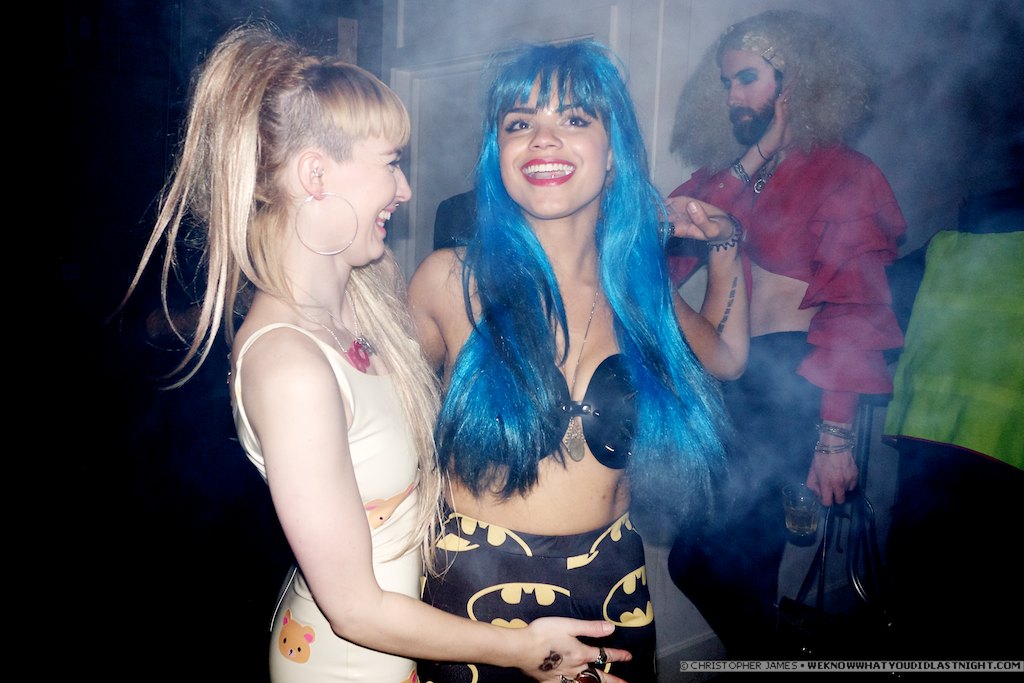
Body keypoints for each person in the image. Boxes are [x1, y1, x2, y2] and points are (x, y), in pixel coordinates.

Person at [116, 24, 633, 683]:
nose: (405, 189)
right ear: (316, 176)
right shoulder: (290, 367)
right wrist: (525, 650)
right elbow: (354, 609)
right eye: (390, 162)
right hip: (348, 666)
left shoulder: (361, 304)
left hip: (409, 646)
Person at [408, 40, 748, 682]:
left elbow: (726, 358)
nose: (543, 138)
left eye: (573, 117)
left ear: (613, 152)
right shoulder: (448, 281)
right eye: (519, 123)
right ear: (498, 153)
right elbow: (377, 419)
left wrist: (727, 245)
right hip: (475, 590)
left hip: (610, 585)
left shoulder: (640, 292)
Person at [662, 10, 906, 659]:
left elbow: (852, 316)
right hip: (728, 381)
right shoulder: (734, 173)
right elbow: (664, 246)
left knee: (720, 561)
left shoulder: (845, 173)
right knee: (705, 560)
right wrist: (757, 154)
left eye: (746, 78)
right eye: (725, 83)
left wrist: (834, 435)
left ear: (794, 79)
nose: (732, 96)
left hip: (789, 385)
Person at [883, 179, 1024, 660]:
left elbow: (880, 301)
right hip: (1006, 452)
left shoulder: (943, 247)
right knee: (985, 603)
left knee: (920, 589)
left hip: (930, 438)